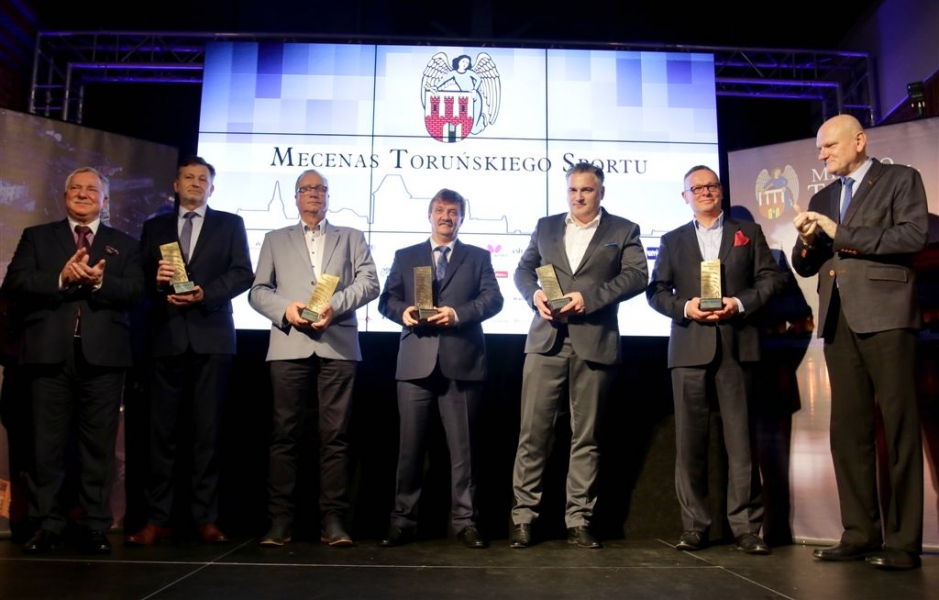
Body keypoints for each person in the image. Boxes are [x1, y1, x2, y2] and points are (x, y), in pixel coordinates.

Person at [792, 114, 928, 571]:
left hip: (888, 315)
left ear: (859, 140)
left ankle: (903, 543)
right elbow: (806, 264)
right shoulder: (823, 197)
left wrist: (840, 233)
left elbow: (912, 235)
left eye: (829, 146)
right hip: (838, 319)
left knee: (899, 428)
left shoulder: (900, 179)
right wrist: (807, 242)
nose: (822, 155)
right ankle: (860, 533)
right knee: (848, 432)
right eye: (819, 148)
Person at [5, 167, 144, 554]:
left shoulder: (124, 243)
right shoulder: (37, 237)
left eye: (91, 190)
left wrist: (98, 282)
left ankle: (95, 525)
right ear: (65, 196)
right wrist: (61, 279)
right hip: (48, 355)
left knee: (98, 447)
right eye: (76, 189)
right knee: (45, 446)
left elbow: (137, 291)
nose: (83, 194)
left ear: (105, 200)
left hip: (104, 358)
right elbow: (15, 282)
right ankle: (46, 524)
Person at [647, 165, 784, 555]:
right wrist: (685, 307)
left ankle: (746, 528)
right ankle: (694, 526)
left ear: (720, 191)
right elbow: (656, 291)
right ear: (685, 197)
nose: (705, 191)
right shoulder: (673, 240)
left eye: (711, 185)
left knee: (741, 442)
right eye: (697, 188)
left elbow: (771, 280)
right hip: (689, 348)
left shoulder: (748, 232)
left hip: (737, 345)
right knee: (689, 442)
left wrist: (738, 303)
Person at [510, 162, 648, 549]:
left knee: (586, 437)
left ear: (601, 192)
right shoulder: (546, 226)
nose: (579, 197)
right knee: (532, 434)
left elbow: (637, 275)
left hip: (595, 340)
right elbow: (523, 271)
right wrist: (534, 295)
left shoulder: (623, 230)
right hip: (546, 340)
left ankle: (579, 520)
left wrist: (589, 298)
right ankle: (523, 518)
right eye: (573, 190)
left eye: (587, 190)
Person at [126, 156, 253, 546]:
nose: (196, 183)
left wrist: (204, 293)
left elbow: (242, 273)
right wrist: (155, 279)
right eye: (189, 177)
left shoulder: (230, 224)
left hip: (212, 336)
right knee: (160, 434)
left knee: (207, 433)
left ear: (212, 188)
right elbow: (138, 280)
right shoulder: (155, 227)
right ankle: (156, 518)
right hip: (165, 338)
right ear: (176, 185)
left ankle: (206, 518)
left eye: (203, 179)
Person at [248, 169, 379, 547]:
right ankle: (280, 521)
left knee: (336, 436)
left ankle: (333, 521)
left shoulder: (351, 236)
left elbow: (370, 282)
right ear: (295, 197)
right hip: (289, 343)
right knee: (284, 435)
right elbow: (258, 291)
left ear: (328, 196)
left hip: (337, 344)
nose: (314, 194)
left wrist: (333, 305)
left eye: (320, 189)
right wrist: (285, 309)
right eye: (306, 189)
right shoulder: (275, 239)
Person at [377, 189, 504, 549]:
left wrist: (458, 314)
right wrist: (401, 312)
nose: (446, 217)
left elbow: (493, 299)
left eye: (453, 212)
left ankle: (465, 522)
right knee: (409, 449)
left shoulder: (478, 257)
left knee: (464, 452)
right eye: (440, 210)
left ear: (461, 217)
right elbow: (387, 299)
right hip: (415, 362)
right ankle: (403, 521)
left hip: (461, 363)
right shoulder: (406, 256)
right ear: (429, 215)